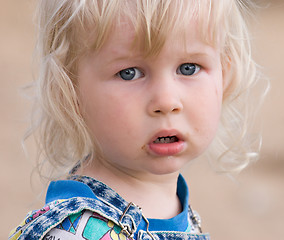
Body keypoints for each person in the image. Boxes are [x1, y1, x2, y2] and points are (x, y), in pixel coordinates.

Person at [9, 0, 263, 239]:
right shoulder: (75, 231)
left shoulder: (173, 205)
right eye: (129, 73)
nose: (166, 102)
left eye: (189, 67)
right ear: (70, 89)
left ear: (225, 73)